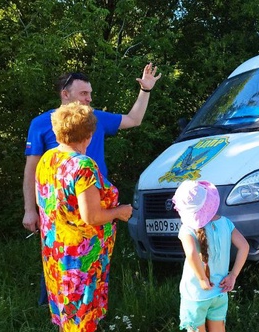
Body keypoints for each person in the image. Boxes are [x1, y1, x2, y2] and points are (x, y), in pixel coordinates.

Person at [35, 103, 133, 332]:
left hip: (55, 247)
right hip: (80, 252)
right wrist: (120, 212)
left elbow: (45, 202)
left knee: (65, 304)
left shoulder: (47, 160)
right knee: (80, 307)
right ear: (88, 135)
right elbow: (92, 216)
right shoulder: (83, 166)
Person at [23, 63, 161, 232]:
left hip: (98, 207)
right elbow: (31, 170)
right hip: (62, 211)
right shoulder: (40, 124)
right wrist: (29, 210)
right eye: (83, 93)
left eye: (90, 93)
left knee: (88, 254)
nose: (89, 98)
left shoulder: (95, 118)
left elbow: (134, 119)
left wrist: (145, 90)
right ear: (65, 94)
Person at [172, 180, 249, 332]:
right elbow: (244, 247)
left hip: (195, 296)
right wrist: (233, 275)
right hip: (219, 293)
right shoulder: (225, 223)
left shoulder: (188, 229)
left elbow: (191, 255)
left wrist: (201, 279)